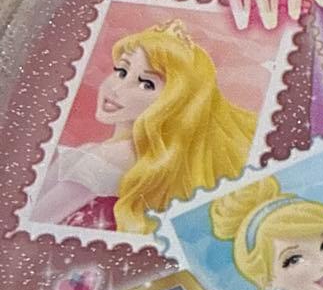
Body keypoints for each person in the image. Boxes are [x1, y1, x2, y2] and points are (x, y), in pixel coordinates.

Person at [35, 19, 256, 233]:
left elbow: (36, 219)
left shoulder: (113, 156)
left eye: (147, 84)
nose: (117, 89)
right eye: (122, 71)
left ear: (175, 102)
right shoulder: (135, 156)